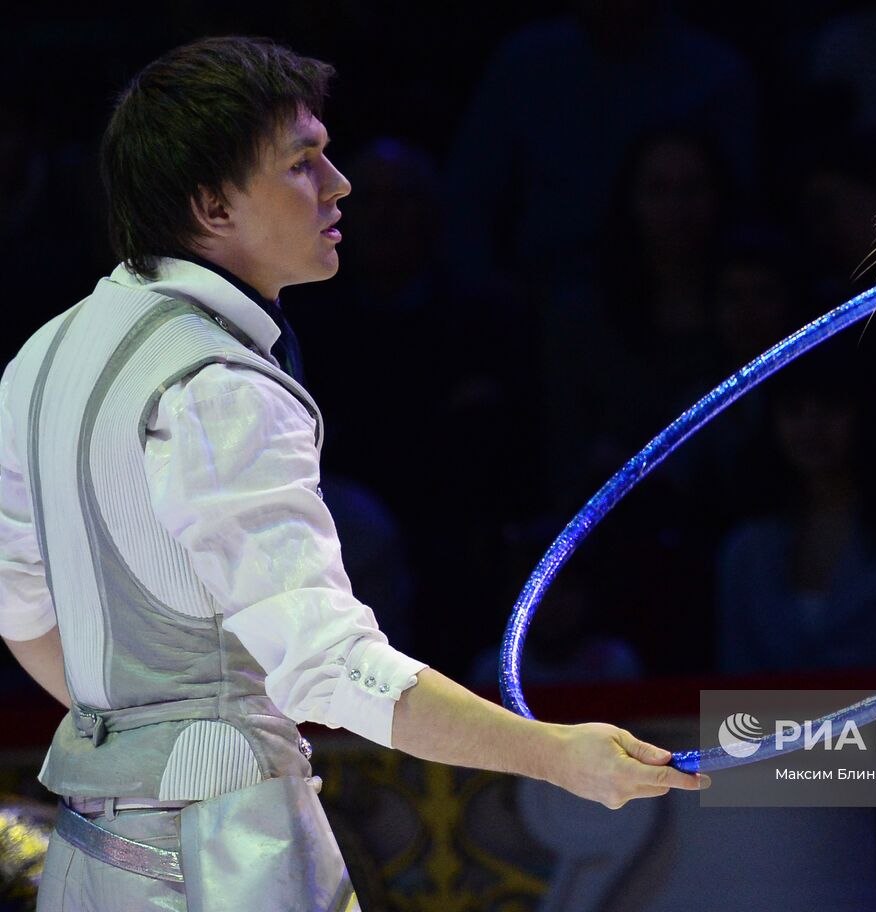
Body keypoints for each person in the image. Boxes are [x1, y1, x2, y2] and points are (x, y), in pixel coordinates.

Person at [0, 35, 707, 911]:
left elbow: (23, 610)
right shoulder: (220, 389)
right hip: (222, 857)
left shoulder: (44, 354)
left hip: (91, 854)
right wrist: (555, 754)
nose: (339, 186)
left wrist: (143, 731)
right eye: (304, 164)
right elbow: (328, 666)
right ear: (213, 206)